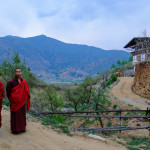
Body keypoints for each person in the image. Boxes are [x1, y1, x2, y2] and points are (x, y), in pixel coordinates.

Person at [6, 68, 30, 134]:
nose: (18, 73)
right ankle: (15, 130)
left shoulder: (24, 81)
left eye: (19, 71)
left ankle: (22, 128)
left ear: (21, 73)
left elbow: (26, 90)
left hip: (22, 102)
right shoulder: (11, 82)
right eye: (17, 72)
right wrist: (12, 100)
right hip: (15, 102)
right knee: (15, 116)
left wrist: (25, 98)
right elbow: (8, 92)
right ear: (14, 73)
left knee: (22, 115)